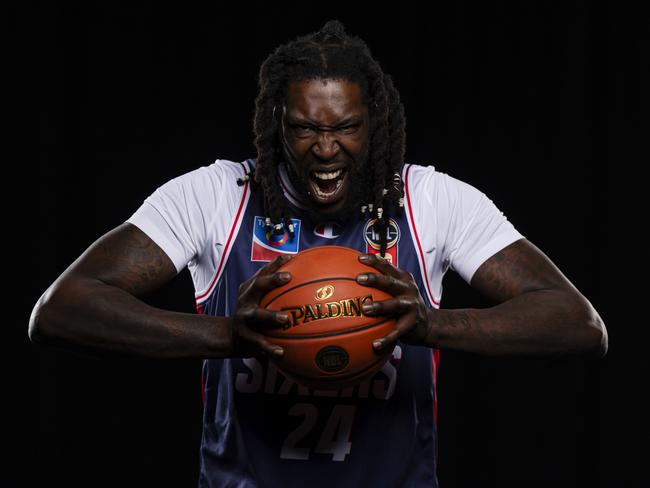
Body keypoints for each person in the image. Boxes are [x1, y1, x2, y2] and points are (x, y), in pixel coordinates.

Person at [29, 20, 607, 488]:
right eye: (305, 129)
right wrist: (226, 335)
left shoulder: (431, 201)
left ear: (374, 124)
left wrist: (431, 324)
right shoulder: (214, 196)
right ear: (275, 123)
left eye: (347, 128)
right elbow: (59, 311)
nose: (326, 149)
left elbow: (578, 324)